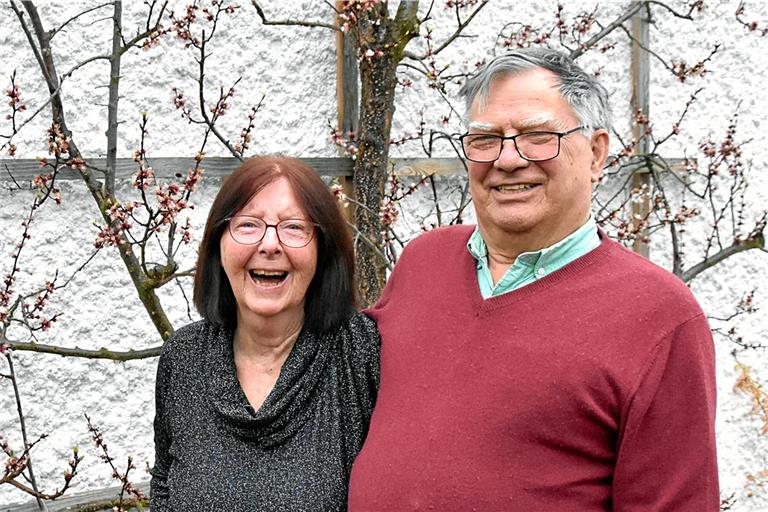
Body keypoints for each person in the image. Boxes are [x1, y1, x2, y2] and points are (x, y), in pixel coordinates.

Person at [348, 48, 718, 511]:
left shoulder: (659, 315)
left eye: (538, 136)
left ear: (596, 153)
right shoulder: (424, 262)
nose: (507, 160)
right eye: (485, 140)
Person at [150, 156, 379, 512]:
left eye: (293, 227)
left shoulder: (362, 354)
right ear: (218, 244)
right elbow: (164, 483)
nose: (270, 245)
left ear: (323, 249)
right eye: (248, 225)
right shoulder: (184, 356)